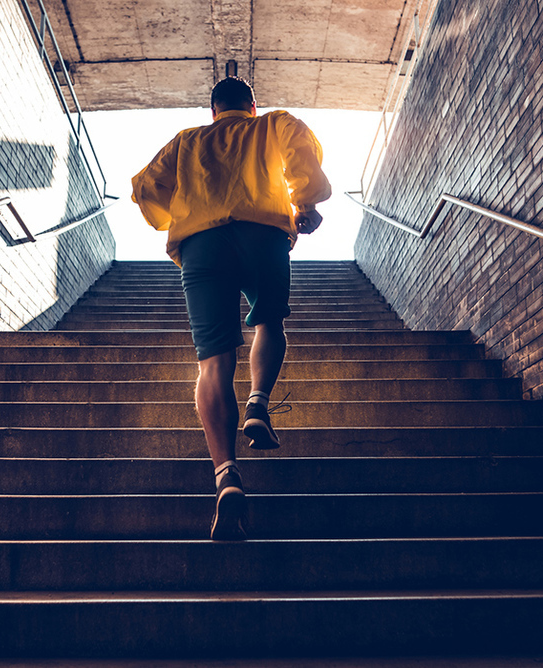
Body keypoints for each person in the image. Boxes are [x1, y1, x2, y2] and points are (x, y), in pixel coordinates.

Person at [131, 77, 332, 541]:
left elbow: (146, 188)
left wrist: (175, 211)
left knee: (213, 363)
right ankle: (259, 404)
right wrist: (304, 202)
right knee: (269, 321)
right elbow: (302, 150)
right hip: (262, 235)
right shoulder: (272, 125)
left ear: (213, 111)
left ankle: (226, 476)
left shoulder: (187, 141)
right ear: (252, 105)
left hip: (202, 245)